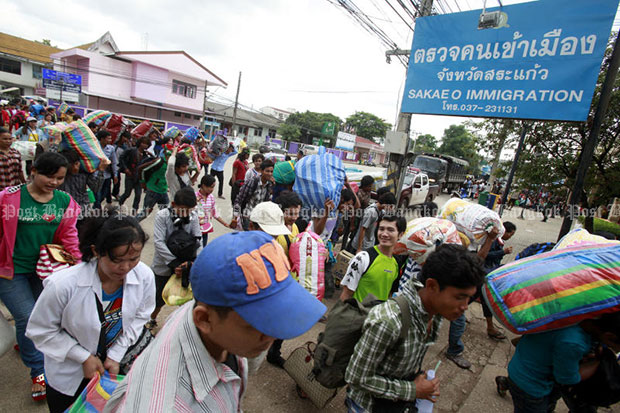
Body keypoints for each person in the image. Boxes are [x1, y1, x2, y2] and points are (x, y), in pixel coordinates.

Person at [105, 231, 327, 412]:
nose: (272, 331)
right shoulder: (169, 405)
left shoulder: (208, 313)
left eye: (275, 313)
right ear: (204, 319)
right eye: (255, 322)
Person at [26, 214, 155, 413]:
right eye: (117, 259)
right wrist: (83, 357)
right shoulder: (63, 286)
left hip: (114, 368)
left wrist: (116, 354)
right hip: (69, 376)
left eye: (134, 258)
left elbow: (141, 316)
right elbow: (40, 330)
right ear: (96, 251)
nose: (126, 267)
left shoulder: (144, 276)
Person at [344, 244, 486, 412]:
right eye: (460, 297)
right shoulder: (389, 321)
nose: (465, 307)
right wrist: (413, 389)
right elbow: (356, 377)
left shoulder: (434, 313)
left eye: (469, 298)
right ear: (432, 286)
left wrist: (418, 378)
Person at [0, 152, 81, 402]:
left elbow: (69, 237)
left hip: (44, 271)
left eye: (60, 178)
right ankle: (38, 371)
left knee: (43, 318)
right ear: (33, 170)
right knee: (27, 316)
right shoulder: (9, 198)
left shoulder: (64, 202)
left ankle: (25, 341)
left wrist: (79, 266)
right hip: (10, 271)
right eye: (49, 176)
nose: (54, 182)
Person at [498, 311, 620, 413]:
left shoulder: (576, 316)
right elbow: (566, 378)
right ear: (609, 336)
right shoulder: (573, 343)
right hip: (530, 385)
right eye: (616, 347)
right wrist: (597, 364)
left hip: (527, 366)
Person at [147, 187, 202, 328]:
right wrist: (174, 263)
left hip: (185, 264)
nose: (186, 213)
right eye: (182, 209)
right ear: (173, 205)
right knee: (158, 297)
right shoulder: (162, 216)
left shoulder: (193, 216)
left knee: (185, 297)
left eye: (190, 210)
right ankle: (151, 319)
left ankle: (185, 325)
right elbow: (159, 242)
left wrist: (190, 264)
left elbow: (198, 240)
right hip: (164, 264)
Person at [340, 215, 406, 303]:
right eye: (381, 229)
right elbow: (346, 293)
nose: (384, 234)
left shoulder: (397, 262)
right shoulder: (362, 258)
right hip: (357, 314)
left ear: (401, 234)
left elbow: (389, 294)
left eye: (390, 230)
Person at [58, 148, 106, 219]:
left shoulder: (85, 173)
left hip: (82, 213)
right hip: (63, 212)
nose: (75, 167)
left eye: (76, 164)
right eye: (71, 166)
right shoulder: (59, 175)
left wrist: (100, 171)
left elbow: (96, 188)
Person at [233, 159, 275, 231]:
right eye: (267, 171)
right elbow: (239, 199)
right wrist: (235, 217)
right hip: (248, 216)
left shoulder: (269, 184)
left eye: (271, 171)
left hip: (259, 218)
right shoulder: (252, 182)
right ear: (262, 171)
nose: (269, 174)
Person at [118, 136, 150, 213]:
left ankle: (135, 209)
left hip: (138, 177)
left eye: (146, 144)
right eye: (143, 143)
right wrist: (125, 168)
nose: (144, 145)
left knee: (138, 195)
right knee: (127, 193)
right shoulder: (131, 150)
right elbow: (122, 157)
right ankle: (120, 203)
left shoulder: (145, 155)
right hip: (130, 175)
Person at [196, 175, 229, 247]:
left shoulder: (211, 197)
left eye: (213, 187)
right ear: (204, 185)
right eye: (211, 187)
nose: (212, 189)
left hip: (205, 228)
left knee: (203, 247)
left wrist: (225, 224)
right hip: (195, 228)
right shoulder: (194, 196)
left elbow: (214, 213)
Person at [94, 130, 119, 210]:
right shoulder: (94, 147)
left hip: (107, 176)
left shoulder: (111, 149)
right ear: (101, 139)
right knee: (97, 195)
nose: (110, 140)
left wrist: (115, 175)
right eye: (108, 139)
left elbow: (114, 162)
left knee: (103, 194)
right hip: (96, 175)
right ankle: (96, 211)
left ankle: (95, 208)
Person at [274, 191, 303, 256]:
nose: (294, 218)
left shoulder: (294, 226)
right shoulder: (275, 232)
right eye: (290, 214)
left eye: (297, 213)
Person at [112, 131, 130, 201]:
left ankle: (115, 193)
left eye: (127, 138)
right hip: (109, 165)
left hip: (117, 166)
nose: (125, 140)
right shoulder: (113, 144)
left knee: (117, 181)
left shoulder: (125, 148)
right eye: (125, 137)